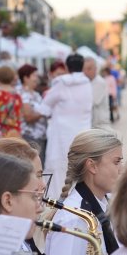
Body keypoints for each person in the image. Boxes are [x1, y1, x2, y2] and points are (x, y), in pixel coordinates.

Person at [45, 129, 123, 255]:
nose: (121, 169)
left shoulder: (104, 204)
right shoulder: (73, 219)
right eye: (116, 162)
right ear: (92, 166)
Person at [39, 53, 93, 200]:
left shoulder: (61, 84)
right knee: (80, 170)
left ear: (67, 67)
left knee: (58, 170)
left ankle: (55, 204)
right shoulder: (87, 84)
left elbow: (44, 108)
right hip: (82, 136)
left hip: (60, 136)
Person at [17, 64, 48, 162]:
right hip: (30, 137)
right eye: (34, 75)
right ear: (26, 78)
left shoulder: (35, 94)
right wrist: (44, 112)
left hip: (39, 137)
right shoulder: (22, 93)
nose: (37, 78)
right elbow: (28, 117)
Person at [83, 57, 111, 129]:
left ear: (95, 69)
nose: (85, 71)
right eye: (84, 69)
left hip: (100, 126)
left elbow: (91, 102)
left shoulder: (99, 83)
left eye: (89, 68)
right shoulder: (87, 82)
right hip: (92, 125)